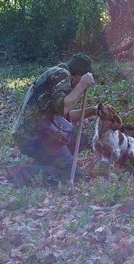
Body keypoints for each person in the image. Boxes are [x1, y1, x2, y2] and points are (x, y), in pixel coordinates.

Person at [12, 53, 96, 182]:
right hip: (32, 137)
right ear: (78, 76)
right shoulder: (62, 75)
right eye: (81, 79)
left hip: (44, 133)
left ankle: (49, 161)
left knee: (82, 140)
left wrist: (94, 111)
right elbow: (63, 108)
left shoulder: (60, 78)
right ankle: (26, 172)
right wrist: (82, 85)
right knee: (75, 176)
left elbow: (65, 116)